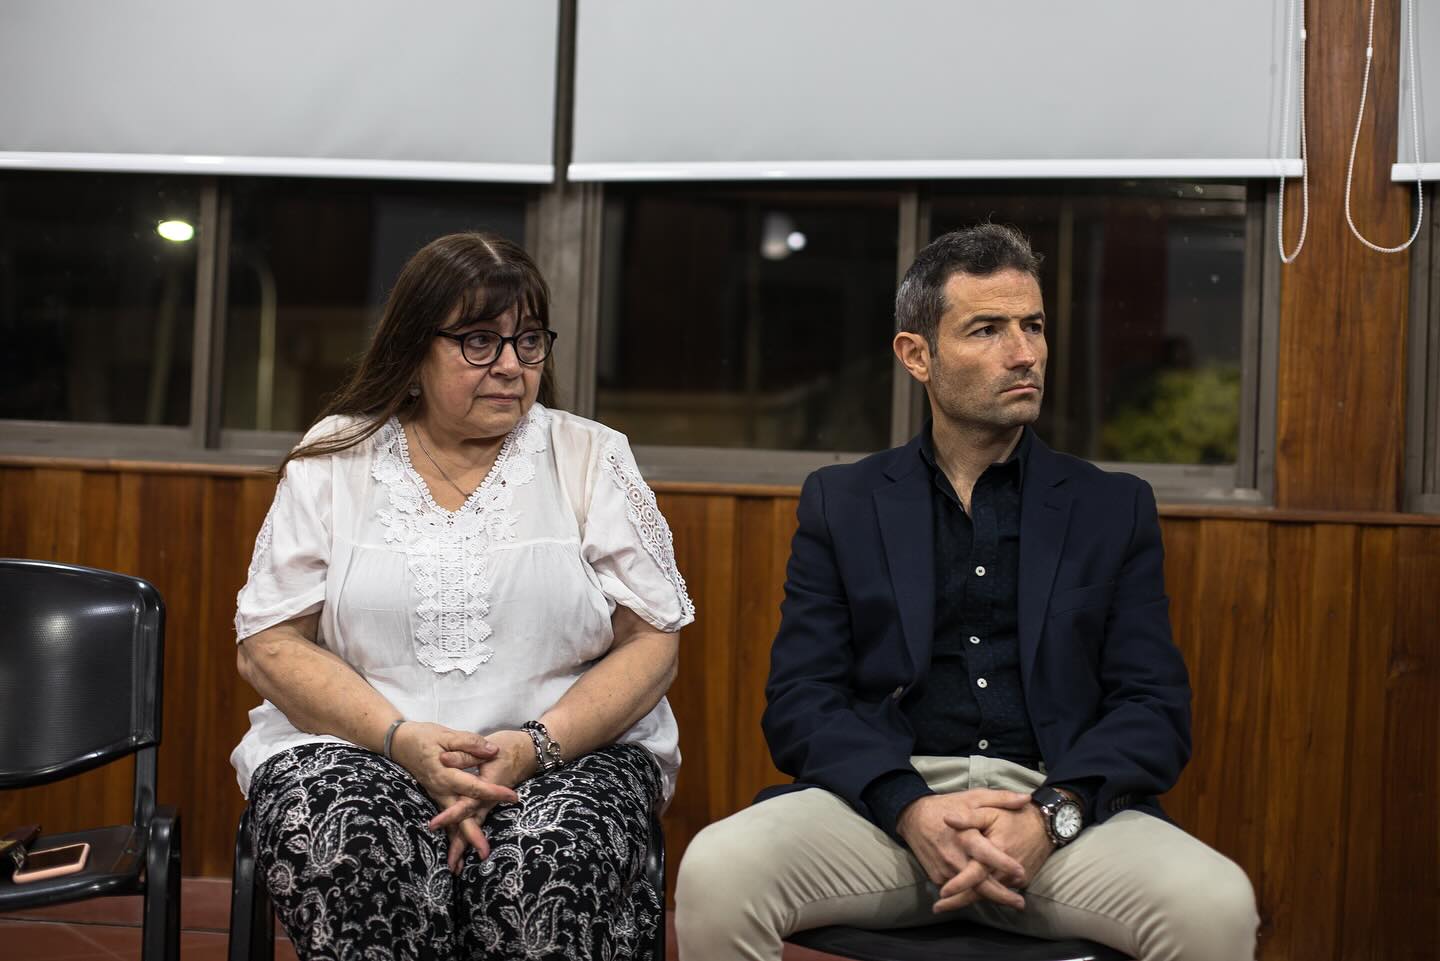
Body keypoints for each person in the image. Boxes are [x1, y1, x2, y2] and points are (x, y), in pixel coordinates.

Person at [675, 224, 1258, 961]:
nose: (1025, 353)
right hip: (887, 815)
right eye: (987, 329)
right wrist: (908, 808)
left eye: (1033, 326)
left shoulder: (1111, 507)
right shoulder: (844, 502)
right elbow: (801, 700)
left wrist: (1050, 815)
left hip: (1057, 813)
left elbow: (1153, 708)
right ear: (916, 354)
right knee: (718, 870)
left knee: (1215, 905)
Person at [231, 232, 694, 961]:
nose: (511, 365)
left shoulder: (589, 456)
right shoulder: (336, 456)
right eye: (480, 341)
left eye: (528, 341)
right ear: (414, 349)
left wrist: (531, 747)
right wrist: (400, 740)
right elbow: (270, 644)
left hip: (562, 755)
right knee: (351, 848)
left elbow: (653, 642)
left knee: (543, 873)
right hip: (362, 748)